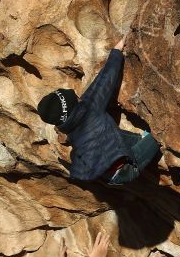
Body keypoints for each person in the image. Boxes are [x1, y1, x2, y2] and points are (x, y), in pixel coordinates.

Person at [35, 36, 161, 186]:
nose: (77, 94)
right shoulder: (90, 110)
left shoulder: (71, 128)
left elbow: (92, 94)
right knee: (162, 134)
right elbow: (105, 81)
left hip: (110, 175)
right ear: (71, 106)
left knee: (134, 138)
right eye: (74, 97)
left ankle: (178, 172)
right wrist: (116, 51)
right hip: (126, 168)